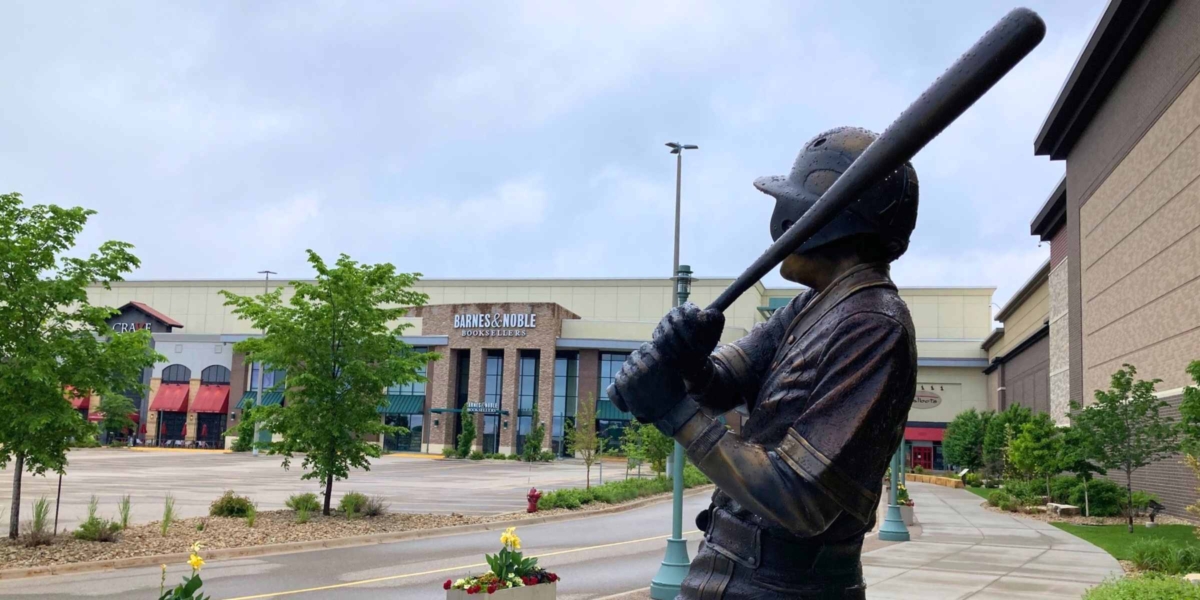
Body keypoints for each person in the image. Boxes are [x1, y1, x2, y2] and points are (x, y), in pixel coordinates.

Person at [609, 126, 919, 599]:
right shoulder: (810, 306)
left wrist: (672, 410)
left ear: (836, 218)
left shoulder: (874, 326)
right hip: (731, 569)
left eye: (796, 204)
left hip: (787, 586)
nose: (782, 220)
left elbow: (800, 500)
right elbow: (720, 387)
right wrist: (691, 361)